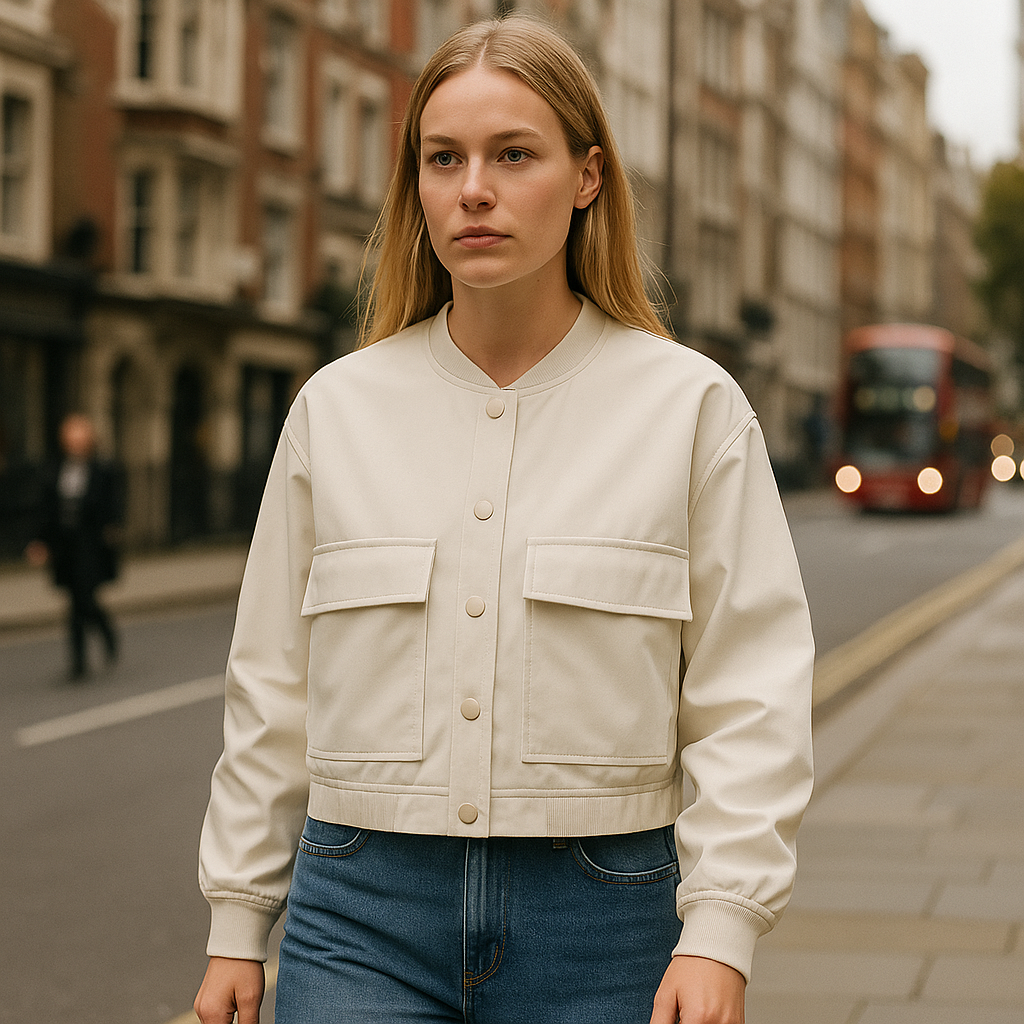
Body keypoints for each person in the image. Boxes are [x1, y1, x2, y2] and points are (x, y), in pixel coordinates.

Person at [195, 16, 814, 1024]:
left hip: (608, 919)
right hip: (358, 911)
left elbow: (750, 689)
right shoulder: (335, 410)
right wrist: (237, 914)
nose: (472, 187)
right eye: (444, 158)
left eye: (512, 154)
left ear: (587, 176)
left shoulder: (691, 408)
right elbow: (272, 683)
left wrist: (722, 927)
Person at [26, 413, 121, 680]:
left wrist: (111, 528)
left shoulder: (102, 469)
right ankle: (103, 629)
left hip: (89, 544)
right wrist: (39, 541)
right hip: (64, 544)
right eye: (71, 439)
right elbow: (45, 509)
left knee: (81, 599)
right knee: (77, 598)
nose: (76, 444)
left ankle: (79, 661)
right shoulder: (55, 469)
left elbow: (111, 505)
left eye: (80, 439)